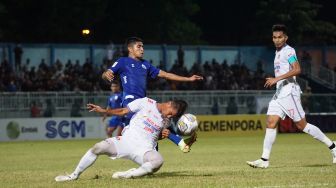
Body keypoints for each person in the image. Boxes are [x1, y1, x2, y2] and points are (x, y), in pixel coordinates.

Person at [247, 24, 336, 168]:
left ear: (285, 38)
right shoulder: (278, 52)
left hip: (289, 92)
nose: (277, 40)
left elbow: (297, 69)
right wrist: (277, 81)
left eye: (280, 37)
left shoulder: (288, 51)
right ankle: (264, 160)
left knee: (302, 125)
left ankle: (333, 147)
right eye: (275, 37)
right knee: (270, 122)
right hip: (280, 92)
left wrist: (276, 79)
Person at [102, 37, 203, 152]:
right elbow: (106, 74)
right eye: (139, 46)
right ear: (130, 48)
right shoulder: (123, 61)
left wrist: (188, 79)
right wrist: (107, 74)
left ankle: (178, 144)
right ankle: (180, 142)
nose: (142, 49)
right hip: (130, 103)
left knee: (154, 138)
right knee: (156, 125)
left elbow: (165, 74)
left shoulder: (146, 65)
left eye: (143, 46)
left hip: (143, 103)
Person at [55, 97, 187, 181]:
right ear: (169, 103)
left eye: (172, 116)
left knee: (158, 161)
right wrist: (104, 111)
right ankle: (74, 175)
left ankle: (127, 175)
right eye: (170, 113)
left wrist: (164, 137)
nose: (169, 116)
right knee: (98, 147)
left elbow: (156, 136)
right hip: (126, 141)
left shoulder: (166, 121)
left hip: (144, 149)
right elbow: (124, 111)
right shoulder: (146, 102)